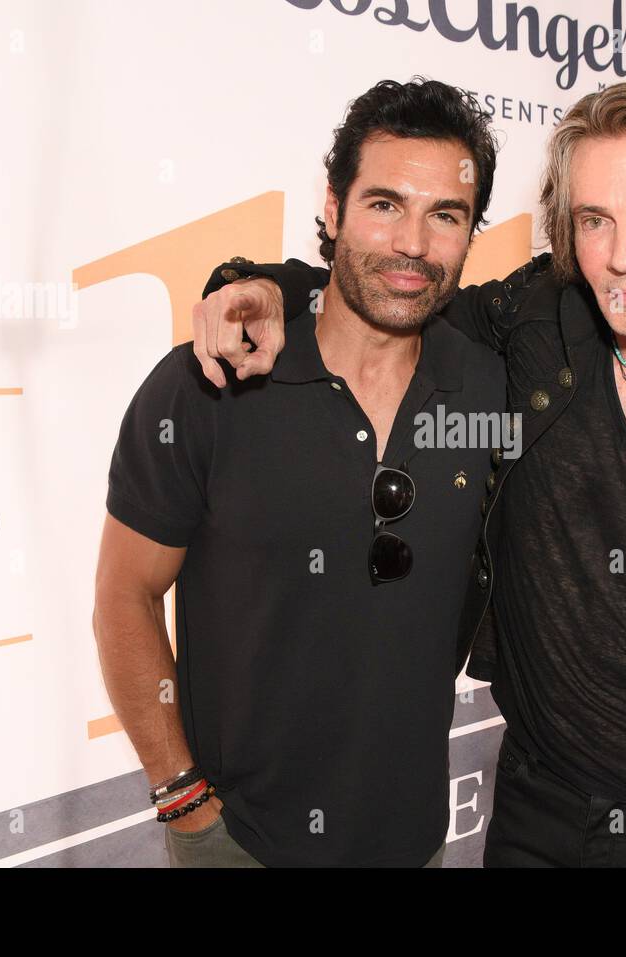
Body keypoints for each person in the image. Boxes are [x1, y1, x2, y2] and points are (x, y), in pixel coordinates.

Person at [196, 81, 626, 867]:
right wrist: (263, 283)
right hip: (528, 813)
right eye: (595, 219)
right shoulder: (541, 315)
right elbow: (397, 290)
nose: (621, 254)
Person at [92, 78, 525, 867]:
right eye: (385, 204)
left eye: (446, 216)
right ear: (333, 208)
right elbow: (126, 593)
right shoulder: (210, 381)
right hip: (240, 844)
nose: (414, 245)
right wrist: (186, 802)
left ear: (470, 234)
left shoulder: (493, 386)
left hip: (416, 838)